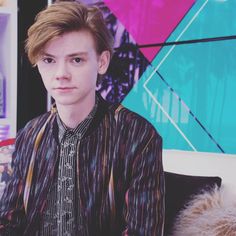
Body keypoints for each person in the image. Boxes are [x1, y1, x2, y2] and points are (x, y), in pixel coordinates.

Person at [0, 1, 165, 235]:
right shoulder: (29, 134)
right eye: (49, 60)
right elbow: (9, 222)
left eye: (76, 60)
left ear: (102, 62)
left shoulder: (138, 136)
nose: (61, 74)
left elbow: (144, 231)